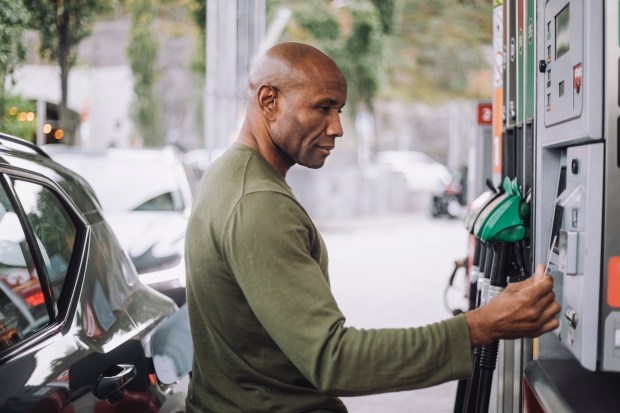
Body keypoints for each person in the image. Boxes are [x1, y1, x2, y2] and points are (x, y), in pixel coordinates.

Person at [184, 41, 560, 412]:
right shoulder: (257, 202)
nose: (337, 127)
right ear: (269, 101)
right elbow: (334, 360)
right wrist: (482, 325)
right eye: (323, 108)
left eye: (340, 110)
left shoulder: (227, 175)